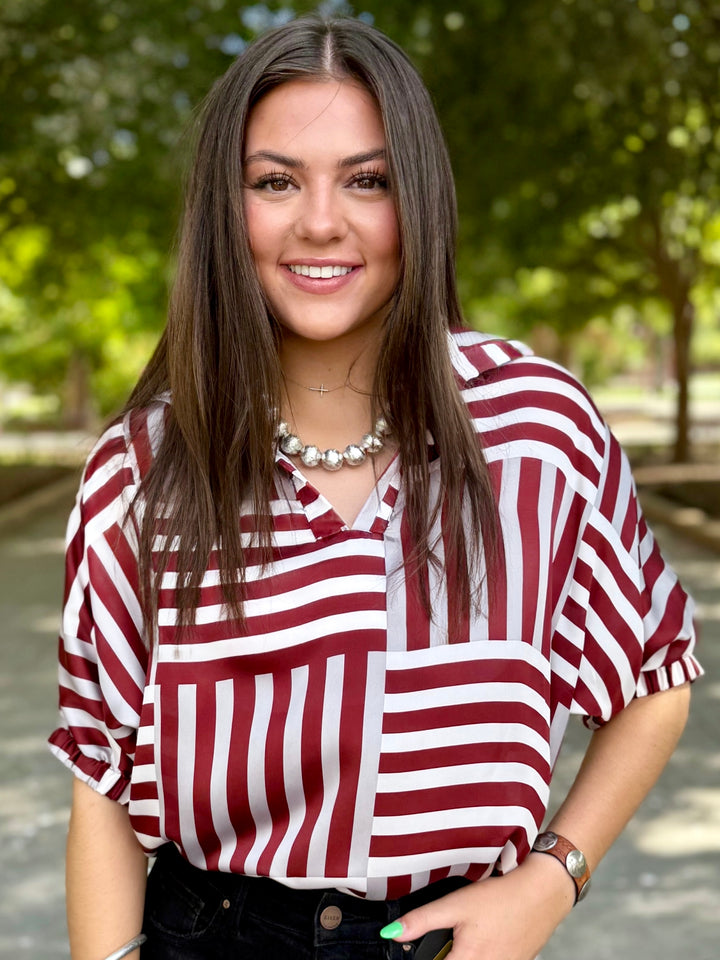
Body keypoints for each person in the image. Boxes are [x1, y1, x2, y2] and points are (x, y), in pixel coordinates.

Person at [48, 15, 702, 960]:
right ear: (224, 212)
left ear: (420, 199)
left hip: (449, 938)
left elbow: (654, 676)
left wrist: (551, 881)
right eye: (275, 182)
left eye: (368, 180)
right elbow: (101, 782)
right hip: (211, 935)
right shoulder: (144, 469)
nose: (322, 221)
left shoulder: (535, 427)